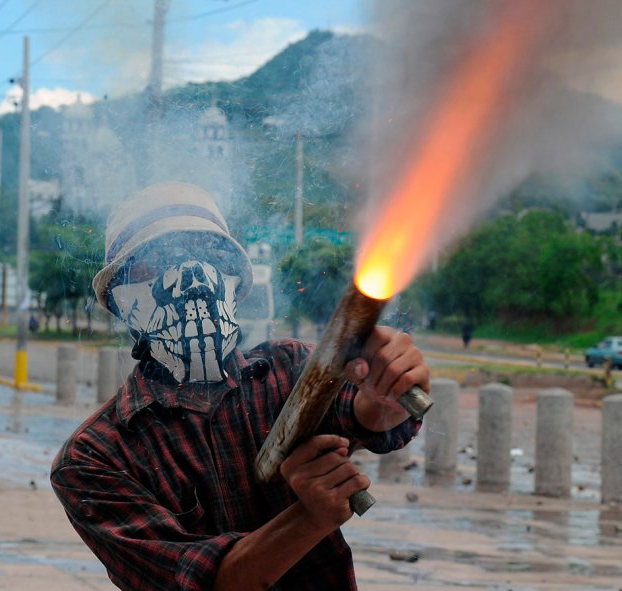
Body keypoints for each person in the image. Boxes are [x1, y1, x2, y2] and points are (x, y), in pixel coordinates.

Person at [50, 182, 427, 591]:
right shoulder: (94, 458)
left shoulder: (288, 367)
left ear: (234, 283)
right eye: (155, 263)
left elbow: (366, 415)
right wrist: (308, 517)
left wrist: (387, 389)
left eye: (208, 256)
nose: (191, 276)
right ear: (124, 303)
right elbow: (197, 583)